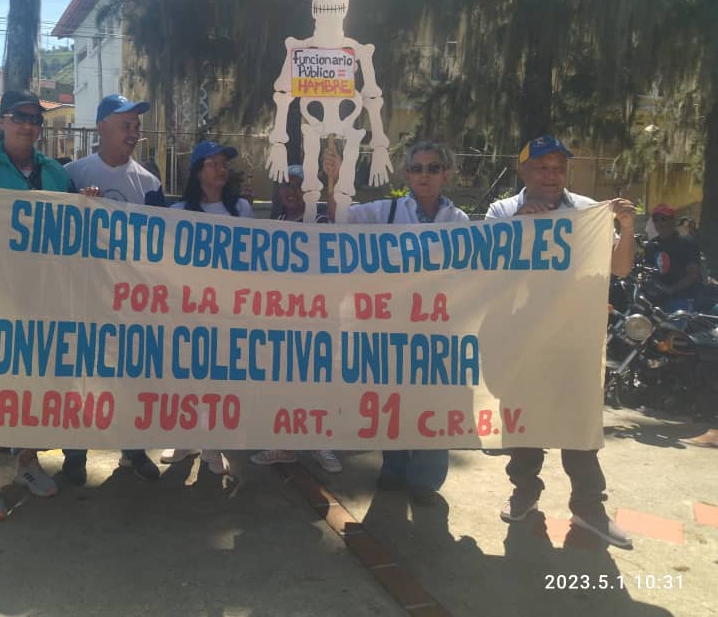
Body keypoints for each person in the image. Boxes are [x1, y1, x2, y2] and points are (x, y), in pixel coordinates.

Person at [487, 134, 636, 548]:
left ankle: (589, 509)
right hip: (523, 337)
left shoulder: (587, 212)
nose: (551, 175)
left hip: (576, 340)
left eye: (558, 167)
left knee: (580, 426)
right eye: (541, 167)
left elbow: (619, 270)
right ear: (523, 170)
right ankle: (524, 493)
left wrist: (626, 225)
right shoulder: (503, 211)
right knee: (524, 423)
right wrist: (520, 229)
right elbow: (485, 269)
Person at [333, 142, 469, 499]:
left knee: (432, 403)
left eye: (434, 168)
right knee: (392, 400)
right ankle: (393, 468)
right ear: (407, 175)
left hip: (437, 330)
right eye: (418, 169)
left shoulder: (459, 222)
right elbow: (341, 219)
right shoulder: (387, 211)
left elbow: (470, 274)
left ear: (447, 174)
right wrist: (334, 177)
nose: (426, 175)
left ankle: (425, 480)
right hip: (390, 328)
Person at [0, 89, 72, 521]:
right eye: (20, 117)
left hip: (44, 298)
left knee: (36, 385)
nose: (29, 125)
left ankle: (26, 461)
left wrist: (90, 204)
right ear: (2, 121)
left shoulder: (56, 173)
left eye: (36, 120)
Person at [60, 93, 164, 485]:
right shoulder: (72, 174)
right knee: (81, 380)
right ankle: (74, 454)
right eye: (126, 125)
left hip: (131, 303)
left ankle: (133, 451)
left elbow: (161, 247)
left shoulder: (149, 183)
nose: (134, 132)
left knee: (130, 379)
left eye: (136, 126)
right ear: (102, 126)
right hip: (83, 298)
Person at [162, 141, 253, 475]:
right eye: (212, 163)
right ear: (198, 172)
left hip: (228, 311)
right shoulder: (178, 213)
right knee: (186, 378)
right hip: (187, 311)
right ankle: (185, 440)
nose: (221, 169)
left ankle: (213, 447)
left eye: (223, 164)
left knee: (218, 381)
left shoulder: (240, 209)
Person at [250, 164, 340, 473]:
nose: (290, 191)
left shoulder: (322, 221)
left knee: (318, 382)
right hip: (283, 319)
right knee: (284, 383)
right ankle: (284, 445)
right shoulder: (276, 222)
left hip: (319, 319)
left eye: (298, 185)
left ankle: (320, 443)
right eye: (285, 186)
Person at [642, 204, 701, 312]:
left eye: (664, 219)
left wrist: (671, 289)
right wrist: (659, 288)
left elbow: (693, 275)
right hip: (656, 300)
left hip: (682, 298)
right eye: (656, 220)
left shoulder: (688, 243)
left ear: (673, 221)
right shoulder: (651, 245)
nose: (660, 223)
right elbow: (647, 271)